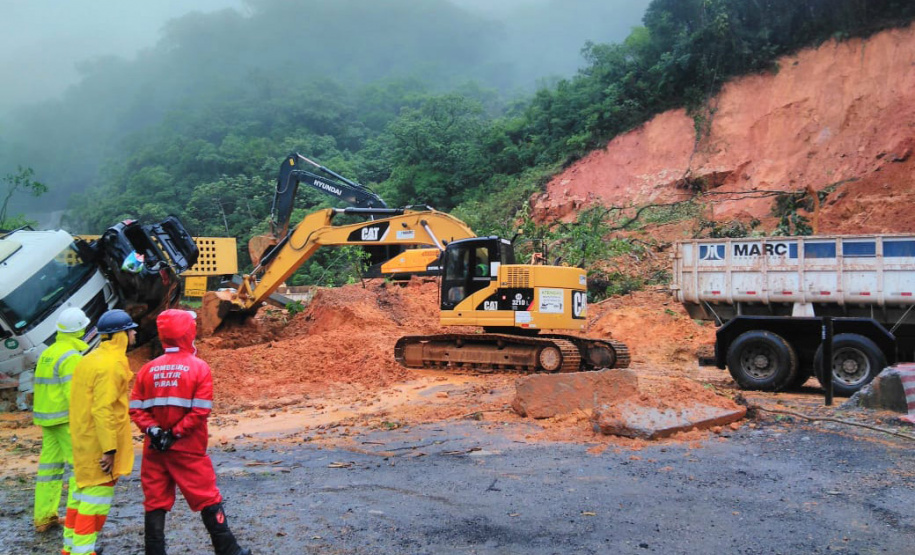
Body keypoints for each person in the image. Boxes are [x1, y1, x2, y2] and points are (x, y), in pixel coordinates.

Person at [130, 309, 252, 555]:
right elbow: (200, 411)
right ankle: (228, 550)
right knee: (207, 497)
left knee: (155, 500)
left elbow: (136, 408)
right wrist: (175, 434)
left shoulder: (147, 369)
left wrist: (154, 431)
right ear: (188, 332)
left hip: (155, 449)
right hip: (187, 448)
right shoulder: (198, 368)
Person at [67, 309, 138, 555]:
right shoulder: (111, 365)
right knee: (95, 503)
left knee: (80, 496)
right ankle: (83, 551)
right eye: (130, 330)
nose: (134, 333)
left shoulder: (90, 358)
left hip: (84, 440)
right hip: (99, 445)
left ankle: (70, 548)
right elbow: (103, 409)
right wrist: (109, 449)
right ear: (120, 335)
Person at [33, 307, 90, 534]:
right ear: (80, 330)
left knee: (49, 469)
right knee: (81, 467)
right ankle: (78, 518)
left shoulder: (49, 352)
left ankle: (44, 517)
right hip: (65, 420)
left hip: (47, 419)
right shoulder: (71, 357)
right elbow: (75, 394)